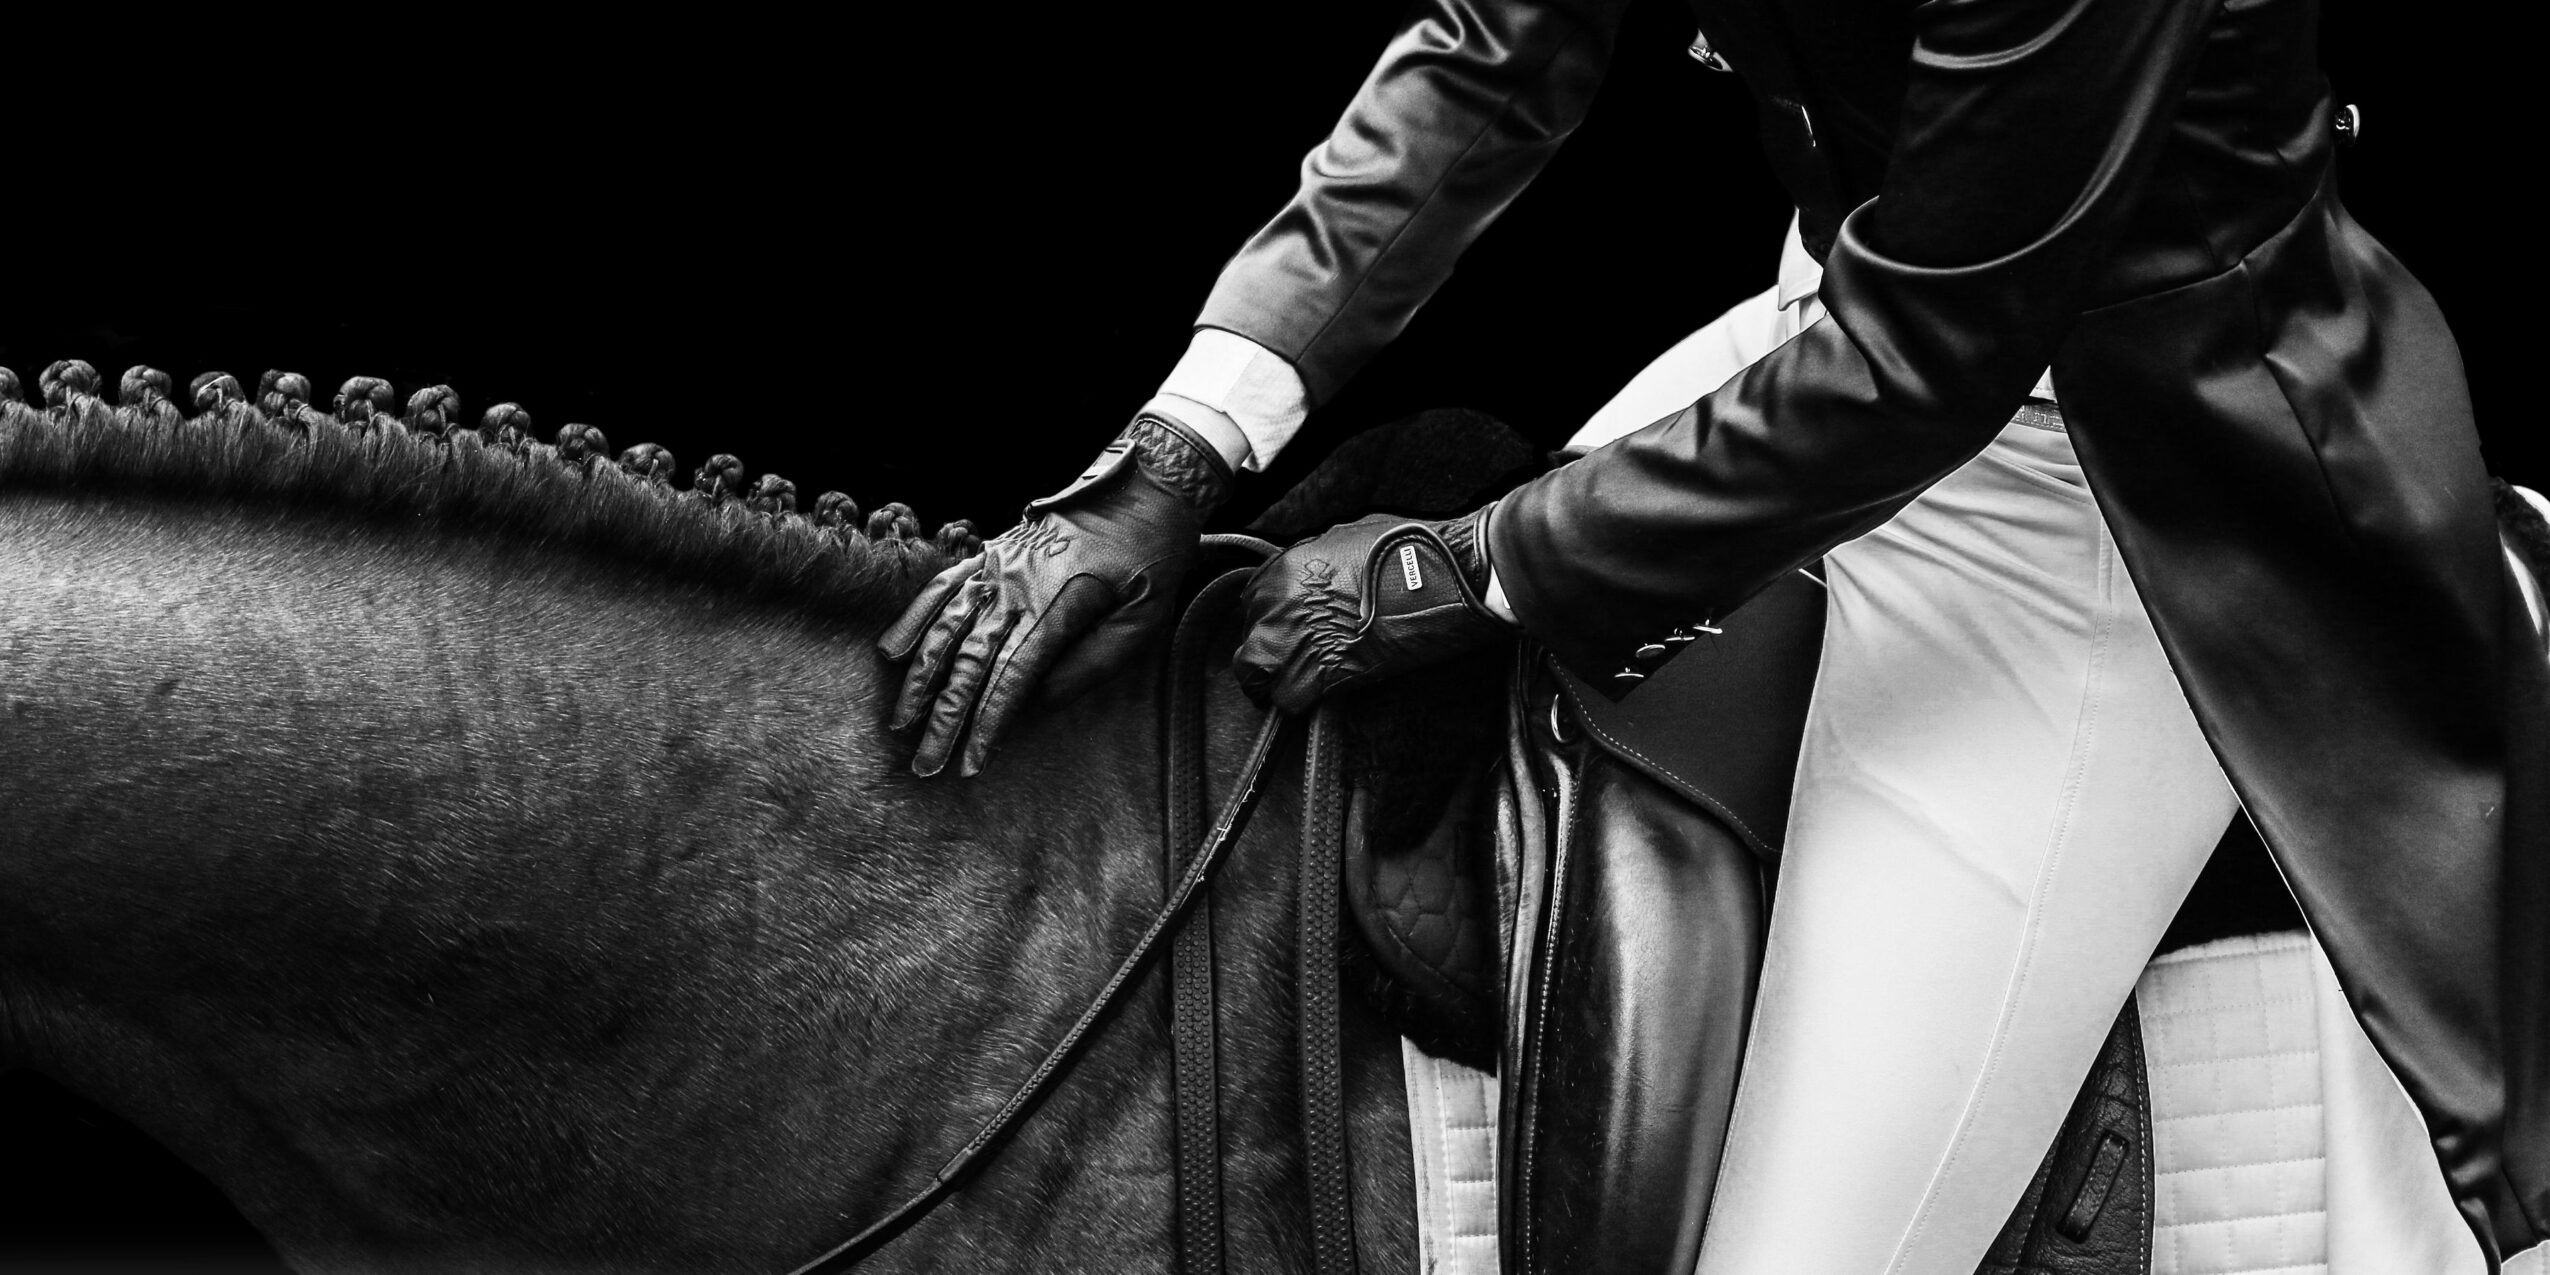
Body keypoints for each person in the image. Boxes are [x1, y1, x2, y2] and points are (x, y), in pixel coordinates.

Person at [881, 0, 2550, 1270]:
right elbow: (1487, 51)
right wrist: (1171, 458)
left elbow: (1927, 361)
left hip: (2106, 487)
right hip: (1809, 340)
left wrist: (1449, 572)